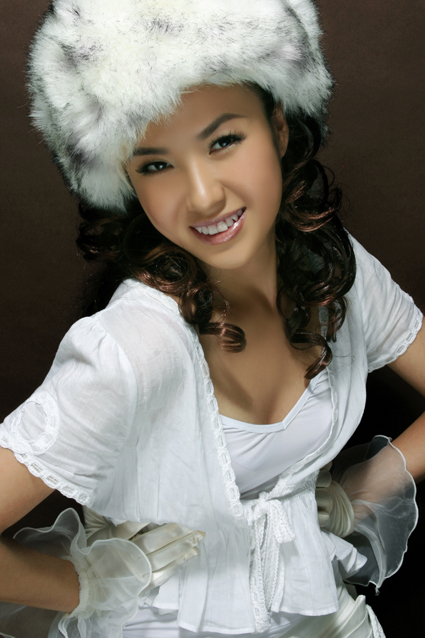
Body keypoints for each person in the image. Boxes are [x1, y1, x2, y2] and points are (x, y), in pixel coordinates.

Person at [0, 0, 424, 637]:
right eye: (156, 164)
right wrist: (86, 585)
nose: (203, 196)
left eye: (224, 141)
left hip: (317, 611)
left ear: (278, 129)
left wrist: (358, 489)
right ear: (127, 181)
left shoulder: (334, 269)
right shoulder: (133, 346)